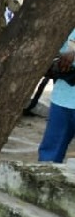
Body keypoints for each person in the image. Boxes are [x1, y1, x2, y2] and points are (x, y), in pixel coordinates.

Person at [38, 28, 75, 162]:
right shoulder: (68, 21)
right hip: (62, 100)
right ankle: (44, 182)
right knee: (50, 155)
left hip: (64, 99)